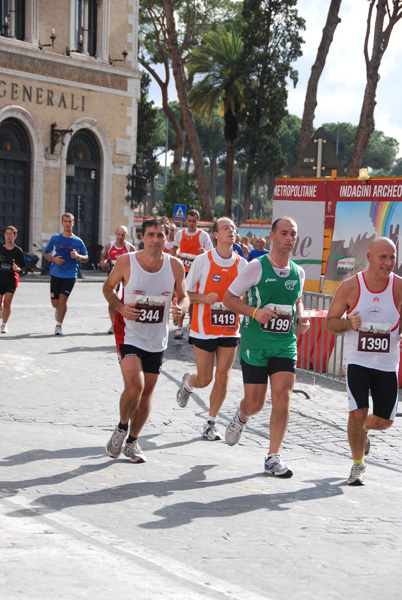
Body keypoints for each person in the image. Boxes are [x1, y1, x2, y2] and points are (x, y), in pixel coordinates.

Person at [222, 217, 310, 477]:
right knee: (255, 403)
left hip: (284, 344)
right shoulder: (255, 267)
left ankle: (273, 456)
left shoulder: (298, 272)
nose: (289, 238)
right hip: (256, 345)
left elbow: (298, 301)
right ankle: (242, 415)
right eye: (284, 233)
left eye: (293, 233)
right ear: (272, 236)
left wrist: (299, 319)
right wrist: (254, 312)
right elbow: (228, 298)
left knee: (283, 396)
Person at [103, 216, 189, 464]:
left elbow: (184, 296)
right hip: (129, 333)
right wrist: (120, 308)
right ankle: (121, 428)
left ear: (166, 238)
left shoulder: (174, 266)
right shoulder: (126, 262)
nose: (155, 239)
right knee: (135, 387)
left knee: (147, 394)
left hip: (157, 337)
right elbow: (107, 288)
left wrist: (181, 308)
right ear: (142, 237)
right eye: (151, 234)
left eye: (160, 235)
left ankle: (132, 442)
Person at [325, 237, 402, 486]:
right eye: (383, 257)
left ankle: (365, 430)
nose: (388, 263)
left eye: (392, 257)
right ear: (369, 258)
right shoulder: (351, 287)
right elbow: (330, 322)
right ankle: (358, 465)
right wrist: (349, 323)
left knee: (385, 421)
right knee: (357, 412)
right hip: (357, 360)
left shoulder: (399, 287)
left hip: (387, 363)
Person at [176, 217, 248, 440]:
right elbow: (185, 293)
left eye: (233, 228)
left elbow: (248, 295)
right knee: (205, 378)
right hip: (203, 328)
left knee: (223, 376)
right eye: (226, 228)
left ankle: (210, 422)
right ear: (215, 235)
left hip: (230, 328)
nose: (231, 231)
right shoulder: (202, 261)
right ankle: (189, 382)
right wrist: (203, 297)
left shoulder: (242, 265)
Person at [43, 213, 88, 336]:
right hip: (56, 274)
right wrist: (54, 260)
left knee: (63, 300)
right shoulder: (55, 238)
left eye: (70, 221)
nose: (68, 224)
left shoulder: (78, 241)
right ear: (62, 223)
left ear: (73, 223)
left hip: (70, 275)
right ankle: (58, 309)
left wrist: (78, 256)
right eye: (65, 221)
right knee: (55, 303)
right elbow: (45, 253)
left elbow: (86, 257)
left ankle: (59, 326)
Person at [174, 209, 213, 339]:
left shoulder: (203, 235)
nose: (191, 224)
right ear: (186, 221)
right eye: (189, 221)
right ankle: (179, 328)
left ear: (198, 221)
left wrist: (204, 253)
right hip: (183, 272)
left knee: (192, 300)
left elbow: (210, 254)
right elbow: (174, 250)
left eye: (194, 221)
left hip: (196, 273)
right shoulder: (180, 234)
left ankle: (191, 325)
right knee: (181, 298)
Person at [99, 226, 136, 334]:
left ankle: (126, 324)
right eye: (119, 234)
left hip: (126, 279)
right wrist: (104, 261)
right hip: (113, 278)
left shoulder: (130, 248)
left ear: (126, 236)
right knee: (112, 301)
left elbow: (136, 262)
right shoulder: (109, 246)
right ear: (115, 233)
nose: (120, 237)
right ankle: (113, 324)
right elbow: (104, 256)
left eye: (123, 235)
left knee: (126, 301)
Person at [0, 226, 25, 334]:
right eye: (7, 233)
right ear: (4, 235)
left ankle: (4, 325)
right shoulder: (0, 247)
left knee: (7, 302)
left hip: (11, 280)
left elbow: (23, 268)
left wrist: (18, 269)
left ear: (15, 236)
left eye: (11, 234)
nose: (8, 236)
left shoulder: (18, 251)